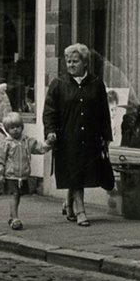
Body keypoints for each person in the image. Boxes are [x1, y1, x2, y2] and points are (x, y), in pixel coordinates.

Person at [43, 43, 114, 227]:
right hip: (67, 137)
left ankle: (68, 203)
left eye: (75, 61)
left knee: (78, 173)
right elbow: (49, 111)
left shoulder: (96, 84)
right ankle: (81, 211)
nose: (71, 65)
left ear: (85, 63)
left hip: (90, 137)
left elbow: (103, 112)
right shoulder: (58, 84)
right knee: (74, 172)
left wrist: (106, 137)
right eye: (68, 61)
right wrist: (50, 132)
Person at [0, 111, 50, 230]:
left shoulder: (27, 141)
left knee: (18, 196)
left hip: (23, 176)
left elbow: (39, 148)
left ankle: (12, 216)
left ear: (22, 127)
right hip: (11, 175)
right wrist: (0, 173)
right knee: (14, 195)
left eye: (18, 127)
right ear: (7, 130)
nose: (15, 130)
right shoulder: (6, 144)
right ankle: (16, 218)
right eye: (12, 128)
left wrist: (48, 144)